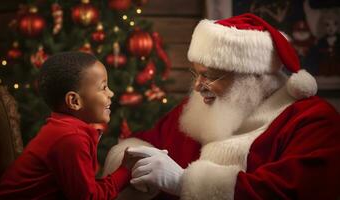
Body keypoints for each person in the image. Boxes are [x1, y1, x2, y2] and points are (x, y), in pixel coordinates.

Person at [103, 13, 340, 200]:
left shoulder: (312, 120)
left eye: (211, 76)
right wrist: (133, 163)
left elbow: (293, 191)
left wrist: (183, 183)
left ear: (253, 76)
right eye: (195, 73)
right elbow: (147, 141)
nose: (197, 86)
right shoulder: (198, 109)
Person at [0, 52, 136, 200]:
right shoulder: (71, 138)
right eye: (103, 87)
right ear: (74, 101)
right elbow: (89, 198)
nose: (111, 93)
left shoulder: (63, 128)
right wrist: (125, 171)